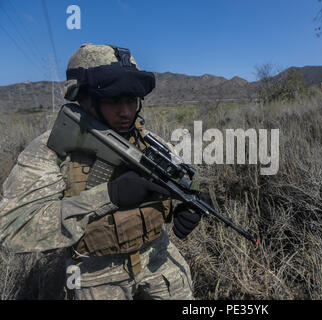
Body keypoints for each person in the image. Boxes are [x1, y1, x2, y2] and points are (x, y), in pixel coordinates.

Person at [0, 44, 202, 300]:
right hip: (95, 275)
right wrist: (109, 195)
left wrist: (182, 206)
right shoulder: (53, 148)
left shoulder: (150, 143)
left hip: (158, 260)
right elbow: (13, 230)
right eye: (113, 100)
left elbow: (173, 185)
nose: (126, 112)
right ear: (82, 98)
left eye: (131, 100)